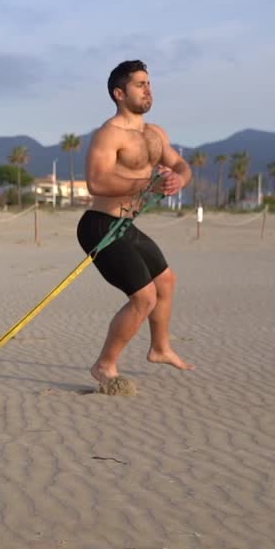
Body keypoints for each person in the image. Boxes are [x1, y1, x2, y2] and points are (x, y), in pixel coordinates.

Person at [79, 60, 195, 389]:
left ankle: (159, 348)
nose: (148, 89)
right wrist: (147, 186)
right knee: (144, 298)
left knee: (166, 281)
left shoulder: (155, 134)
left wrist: (178, 179)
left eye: (149, 83)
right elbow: (97, 183)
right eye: (140, 84)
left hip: (126, 226)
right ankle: (105, 366)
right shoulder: (109, 134)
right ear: (119, 93)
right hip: (100, 226)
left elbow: (180, 164)